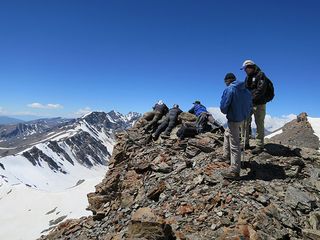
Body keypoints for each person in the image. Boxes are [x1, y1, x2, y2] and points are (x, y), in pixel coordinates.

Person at [220, 73, 252, 180]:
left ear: (228, 80)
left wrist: (227, 111)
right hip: (243, 118)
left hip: (234, 118)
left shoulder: (230, 89)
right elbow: (250, 104)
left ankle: (235, 171)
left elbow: (223, 107)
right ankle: (226, 156)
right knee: (227, 133)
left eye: (225, 82)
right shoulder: (246, 90)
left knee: (235, 144)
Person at [240, 60, 270, 154]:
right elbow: (245, 90)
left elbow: (261, 89)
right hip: (249, 104)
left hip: (259, 104)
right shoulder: (247, 78)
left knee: (259, 123)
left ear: (250, 67)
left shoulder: (261, 75)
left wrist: (251, 100)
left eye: (245, 68)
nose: (245, 70)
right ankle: (245, 143)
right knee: (244, 123)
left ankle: (259, 146)